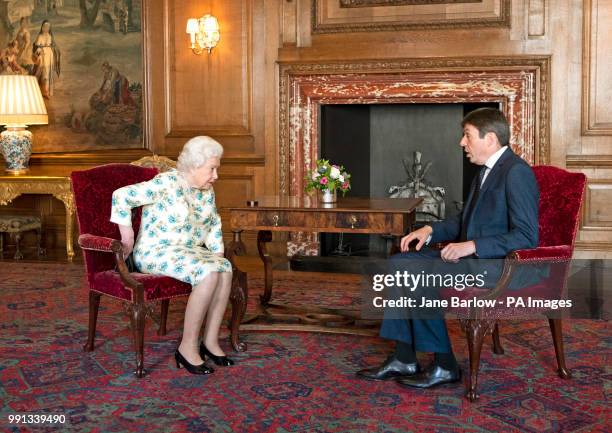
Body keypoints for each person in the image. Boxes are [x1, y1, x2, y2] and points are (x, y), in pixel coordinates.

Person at [357, 107, 539, 388]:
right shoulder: (486, 172)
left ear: (489, 139)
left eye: (467, 135)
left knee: (419, 274)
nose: (461, 143)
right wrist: (430, 229)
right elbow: (465, 219)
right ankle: (404, 357)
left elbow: (527, 236)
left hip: (494, 266)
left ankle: (445, 364)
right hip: (472, 258)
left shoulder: (516, 173)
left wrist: (472, 246)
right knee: (400, 263)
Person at [110, 136, 234, 375]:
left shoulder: (206, 191)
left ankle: (209, 342)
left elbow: (213, 223)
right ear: (195, 165)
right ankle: (187, 347)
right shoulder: (165, 183)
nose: (216, 175)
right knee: (209, 273)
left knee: (224, 269)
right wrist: (127, 238)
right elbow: (121, 196)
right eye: (212, 169)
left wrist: (218, 255)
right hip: (156, 251)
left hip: (187, 252)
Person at [32, 20, 60, 98]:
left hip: (49, 56)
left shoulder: (50, 36)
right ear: (42, 27)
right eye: (45, 26)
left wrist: (54, 50)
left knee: (48, 74)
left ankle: (46, 92)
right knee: (42, 74)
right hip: (42, 56)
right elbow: (37, 47)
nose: (46, 28)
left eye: (48, 26)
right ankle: (38, 90)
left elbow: (53, 46)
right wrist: (39, 51)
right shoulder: (40, 36)